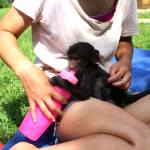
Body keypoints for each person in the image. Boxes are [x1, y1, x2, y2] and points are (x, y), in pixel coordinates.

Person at [1, 0, 150, 149]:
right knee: (142, 139)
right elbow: (4, 32)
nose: (71, 64)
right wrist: (28, 72)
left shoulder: (126, 2)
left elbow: (124, 40)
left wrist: (125, 61)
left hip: (105, 95)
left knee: (131, 138)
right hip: (63, 99)